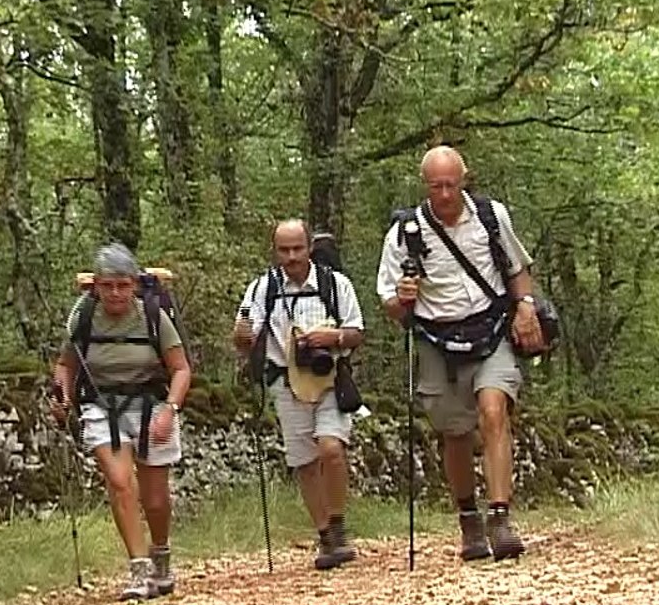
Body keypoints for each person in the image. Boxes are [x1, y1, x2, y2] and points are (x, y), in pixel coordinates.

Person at [376, 145, 546, 562]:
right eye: (437, 186)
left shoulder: (491, 217)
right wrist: (402, 299)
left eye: (452, 184)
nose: (446, 194)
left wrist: (525, 307)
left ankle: (500, 517)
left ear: (464, 180)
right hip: (437, 340)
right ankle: (468, 517)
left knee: (493, 411)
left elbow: (517, 269)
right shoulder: (405, 233)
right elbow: (391, 307)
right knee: (454, 434)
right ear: (425, 185)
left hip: (491, 329)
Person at [50, 242, 192, 600]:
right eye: (107, 285)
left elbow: (180, 370)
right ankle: (139, 568)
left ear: (134, 284)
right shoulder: (84, 316)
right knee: (119, 482)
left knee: (156, 499)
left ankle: (160, 555)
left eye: (123, 285)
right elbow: (66, 365)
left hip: (151, 406)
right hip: (101, 406)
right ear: (95, 285)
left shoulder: (153, 316)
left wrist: (169, 410)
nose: (115, 293)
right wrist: (63, 396)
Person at [233, 219, 365, 571]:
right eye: (284, 250)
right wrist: (243, 335)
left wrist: (330, 339)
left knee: (331, 449)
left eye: (297, 249)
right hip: (286, 381)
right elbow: (245, 340)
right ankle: (325, 535)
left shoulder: (335, 285)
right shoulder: (262, 289)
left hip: (329, 377)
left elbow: (356, 332)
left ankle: (337, 525)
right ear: (274, 251)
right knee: (304, 462)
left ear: (310, 247)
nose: (291, 257)